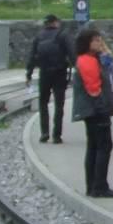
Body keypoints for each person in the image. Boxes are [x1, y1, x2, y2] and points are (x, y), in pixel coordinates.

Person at [70, 27, 113, 198]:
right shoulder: (88, 61)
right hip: (97, 110)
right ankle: (99, 186)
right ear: (87, 43)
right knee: (103, 147)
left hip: (90, 111)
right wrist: (103, 110)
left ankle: (92, 185)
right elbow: (94, 89)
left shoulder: (87, 59)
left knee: (93, 147)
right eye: (96, 40)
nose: (100, 43)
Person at [25, 14, 73, 144]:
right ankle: (57, 135)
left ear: (46, 23)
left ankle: (44, 133)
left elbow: (32, 57)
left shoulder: (38, 36)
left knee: (43, 103)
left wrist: (28, 74)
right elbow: (72, 53)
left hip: (44, 73)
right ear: (55, 22)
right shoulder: (63, 35)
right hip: (60, 73)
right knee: (59, 104)